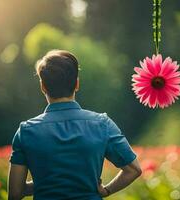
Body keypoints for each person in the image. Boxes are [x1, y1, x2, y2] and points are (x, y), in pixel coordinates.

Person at [7, 50, 142, 200]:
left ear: (43, 86)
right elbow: (133, 169)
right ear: (77, 84)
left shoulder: (26, 131)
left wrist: (45, 183)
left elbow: (15, 193)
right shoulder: (102, 124)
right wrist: (106, 191)